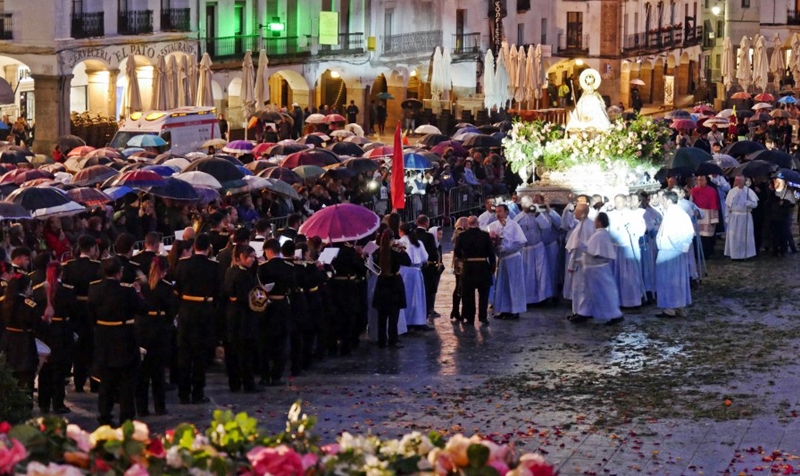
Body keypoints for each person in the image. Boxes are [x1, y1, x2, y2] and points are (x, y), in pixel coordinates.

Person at [88, 257, 148, 426]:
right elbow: (143, 309)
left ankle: (104, 416)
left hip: (104, 339)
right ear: (120, 273)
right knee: (127, 382)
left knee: (106, 381)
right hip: (125, 339)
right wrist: (137, 292)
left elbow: (91, 315)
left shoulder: (94, 288)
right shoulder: (127, 290)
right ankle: (126, 418)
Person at [173, 233, 221, 404]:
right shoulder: (214, 267)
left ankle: (183, 393)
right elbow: (218, 291)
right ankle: (197, 392)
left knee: (184, 354)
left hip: (186, 310)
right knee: (200, 355)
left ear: (194, 247)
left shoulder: (183, 265)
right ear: (208, 249)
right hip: (205, 311)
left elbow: (177, 289)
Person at [62, 235, 102, 393]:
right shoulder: (97, 266)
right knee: (92, 347)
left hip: (74, 309)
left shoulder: (68, 266)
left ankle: (78, 383)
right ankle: (94, 383)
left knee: (78, 347)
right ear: (92, 249)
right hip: (91, 308)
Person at [136, 256, 175, 416]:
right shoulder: (166, 287)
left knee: (143, 373)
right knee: (158, 373)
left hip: (143, 329)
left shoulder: (143, 286)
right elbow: (171, 311)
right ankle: (160, 406)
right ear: (164, 271)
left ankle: (142, 408)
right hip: (159, 330)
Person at [570, 212, 624, 325]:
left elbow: (593, 252)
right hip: (593, 269)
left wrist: (581, 245)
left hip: (597, 270)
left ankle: (615, 315)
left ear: (599, 222)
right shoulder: (601, 234)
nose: (594, 222)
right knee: (588, 293)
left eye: (595, 220)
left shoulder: (599, 235)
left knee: (604, 293)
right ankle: (583, 313)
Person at [37, 262, 76, 415]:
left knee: (45, 369)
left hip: (45, 330)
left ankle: (43, 403)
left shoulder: (37, 290)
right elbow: (74, 312)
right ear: (61, 273)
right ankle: (58, 403)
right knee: (59, 369)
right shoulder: (67, 291)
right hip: (62, 332)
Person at [222, 245, 261, 393]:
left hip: (232, 314)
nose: (252, 259)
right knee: (245, 352)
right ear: (240, 257)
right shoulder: (244, 275)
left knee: (233, 351)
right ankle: (248, 383)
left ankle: (234, 383)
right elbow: (248, 296)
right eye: (249, 257)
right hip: (243, 315)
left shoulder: (230, 271)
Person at [257, 239, 295, 385]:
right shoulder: (288, 267)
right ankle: (277, 375)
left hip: (268, 305)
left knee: (265, 341)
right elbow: (293, 286)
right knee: (282, 340)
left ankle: (265, 375)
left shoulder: (263, 267)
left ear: (268, 251)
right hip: (283, 304)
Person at [0, 273, 42, 405]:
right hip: (25, 344)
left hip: (7, 342)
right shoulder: (29, 305)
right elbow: (38, 326)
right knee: (26, 379)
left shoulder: (3, 302)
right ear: (26, 288)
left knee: (8, 377)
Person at [655, 191, 695, 317]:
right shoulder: (680, 213)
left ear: (668, 201)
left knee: (668, 280)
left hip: (669, 251)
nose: (661, 202)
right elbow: (689, 232)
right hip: (677, 251)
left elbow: (673, 234)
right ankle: (678, 305)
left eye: (662, 200)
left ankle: (670, 308)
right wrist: (683, 247)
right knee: (678, 280)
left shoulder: (672, 215)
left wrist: (678, 246)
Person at [487, 204, 527, 320]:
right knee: (502, 285)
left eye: (500, 211)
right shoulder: (493, 226)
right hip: (502, 259)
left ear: (506, 212)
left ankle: (515, 310)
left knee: (514, 285)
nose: (498, 214)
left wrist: (508, 249)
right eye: (496, 212)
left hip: (513, 258)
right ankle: (504, 309)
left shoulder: (514, 225)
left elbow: (521, 242)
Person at [453, 216, 495, 326]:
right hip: (483, 266)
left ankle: (469, 317)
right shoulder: (485, 235)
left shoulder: (462, 236)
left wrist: (465, 257)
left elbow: (457, 251)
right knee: (483, 294)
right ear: (478, 223)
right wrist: (492, 267)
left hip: (468, 267)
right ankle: (482, 317)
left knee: (468, 294)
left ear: (468, 223)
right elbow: (491, 253)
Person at [373, 230, 411, 348]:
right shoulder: (395, 252)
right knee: (393, 315)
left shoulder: (377, 252)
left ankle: (381, 340)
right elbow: (408, 262)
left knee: (382, 315)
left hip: (381, 283)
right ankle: (393, 340)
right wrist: (402, 250)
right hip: (394, 283)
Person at [607, 195, 645, 308]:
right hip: (615, 247)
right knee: (616, 274)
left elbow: (641, 229)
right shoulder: (610, 215)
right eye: (616, 201)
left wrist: (632, 229)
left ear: (625, 202)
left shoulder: (632, 214)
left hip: (629, 246)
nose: (618, 204)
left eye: (620, 201)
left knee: (630, 275)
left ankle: (632, 300)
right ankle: (617, 300)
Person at [514, 196, 552, 305]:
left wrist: (537, 214)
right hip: (525, 250)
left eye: (527, 203)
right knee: (526, 275)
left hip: (537, 248)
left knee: (541, 274)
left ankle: (542, 298)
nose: (525, 205)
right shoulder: (518, 218)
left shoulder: (538, 214)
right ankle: (527, 299)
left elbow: (546, 226)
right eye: (523, 203)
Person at [397, 223, 429, 330]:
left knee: (406, 296)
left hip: (405, 271)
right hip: (416, 271)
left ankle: (406, 320)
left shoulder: (400, 242)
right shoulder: (418, 243)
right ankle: (418, 319)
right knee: (417, 296)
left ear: (401, 231)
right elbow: (425, 257)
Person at [563, 203, 595, 305]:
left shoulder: (583, 227)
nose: (574, 213)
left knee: (580, 287)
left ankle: (580, 312)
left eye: (576, 212)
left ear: (582, 214)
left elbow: (577, 246)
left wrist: (571, 265)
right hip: (587, 260)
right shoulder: (588, 223)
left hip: (580, 262)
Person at [724, 176, 758, 259]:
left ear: (744, 181)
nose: (738, 182)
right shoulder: (731, 192)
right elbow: (728, 206)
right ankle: (734, 254)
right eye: (737, 180)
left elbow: (755, 204)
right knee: (734, 237)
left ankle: (746, 255)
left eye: (740, 180)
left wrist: (750, 203)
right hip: (734, 217)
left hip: (745, 217)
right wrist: (727, 217)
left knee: (745, 237)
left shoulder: (749, 191)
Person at [414, 215, 440, 318]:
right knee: (428, 290)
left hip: (415, 266)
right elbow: (433, 253)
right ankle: (427, 311)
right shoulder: (429, 236)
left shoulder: (412, 234)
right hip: (427, 266)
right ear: (426, 223)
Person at [690, 175, 720, 258]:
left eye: (702, 180)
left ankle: (707, 253)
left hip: (708, 215)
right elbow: (691, 203)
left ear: (706, 181)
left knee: (706, 237)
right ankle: (697, 253)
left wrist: (714, 220)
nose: (700, 182)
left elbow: (714, 205)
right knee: (697, 236)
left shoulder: (712, 191)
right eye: (699, 180)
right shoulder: (694, 190)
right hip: (697, 215)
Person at [449, 217, 469, 322]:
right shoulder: (460, 233)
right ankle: (457, 310)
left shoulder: (456, 232)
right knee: (460, 286)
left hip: (457, 262)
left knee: (459, 285)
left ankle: (456, 310)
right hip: (461, 262)